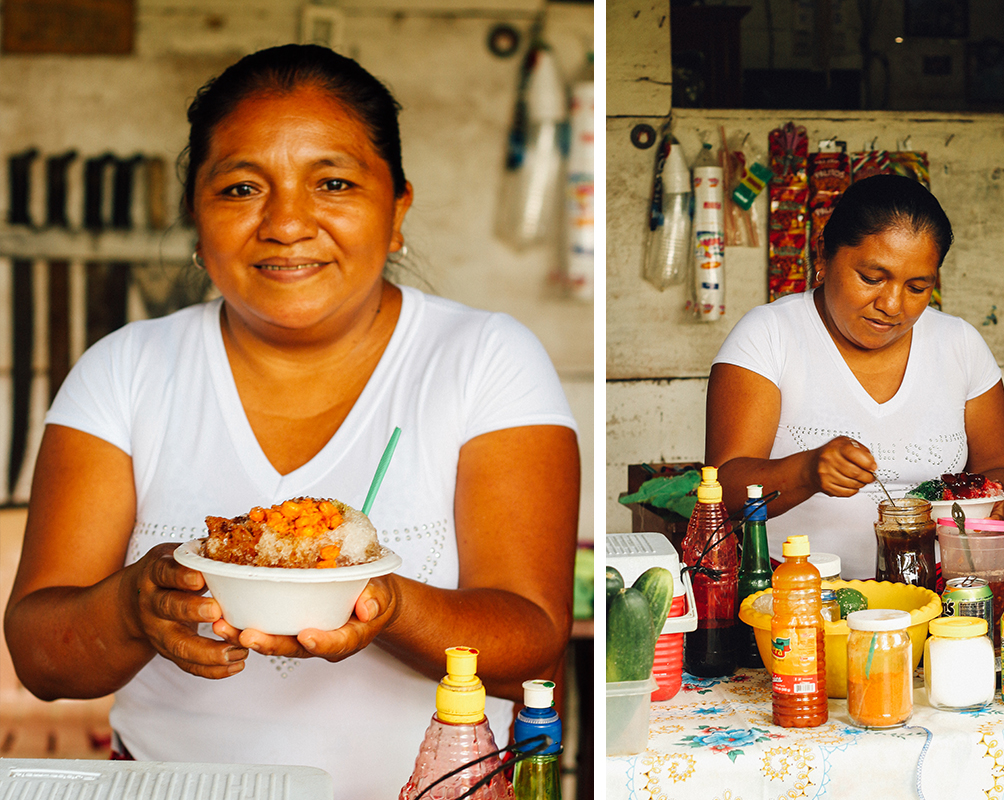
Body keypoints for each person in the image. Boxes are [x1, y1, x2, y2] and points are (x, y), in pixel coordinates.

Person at [3, 45, 580, 799]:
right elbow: (42, 661)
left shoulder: (483, 360)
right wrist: (133, 607)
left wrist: (386, 601)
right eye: (242, 188)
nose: (286, 223)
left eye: (333, 183)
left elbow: (533, 656)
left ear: (397, 209)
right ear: (196, 218)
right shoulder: (125, 369)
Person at [706, 174, 1004, 577]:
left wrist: (990, 499)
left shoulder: (960, 344)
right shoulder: (769, 336)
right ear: (822, 255)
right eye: (872, 278)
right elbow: (723, 491)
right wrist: (805, 473)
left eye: (917, 286)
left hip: (936, 594)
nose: (892, 304)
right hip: (796, 597)